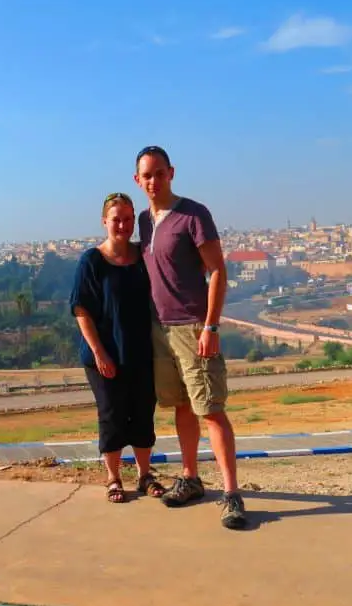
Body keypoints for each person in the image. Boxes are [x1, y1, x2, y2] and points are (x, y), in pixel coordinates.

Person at [134, 145, 248, 530]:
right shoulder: (143, 221)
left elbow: (217, 270)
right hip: (160, 329)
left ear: (171, 173)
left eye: (159, 173)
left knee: (211, 409)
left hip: (193, 326)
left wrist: (211, 326)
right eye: (146, 175)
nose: (153, 181)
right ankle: (191, 478)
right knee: (182, 406)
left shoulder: (193, 214)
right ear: (138, 180)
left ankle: (232, 493)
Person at [70, 192, 166, 503]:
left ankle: (144, 474)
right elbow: (81, 309)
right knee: (111, 414)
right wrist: (99, 353)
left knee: (142, 414)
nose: (123, 225)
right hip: (104, 353)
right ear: (104, 222)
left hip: (141, 351)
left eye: (127, 219)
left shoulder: (143, 256)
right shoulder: (92, 261)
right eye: (116, 219)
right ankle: (113, 477)